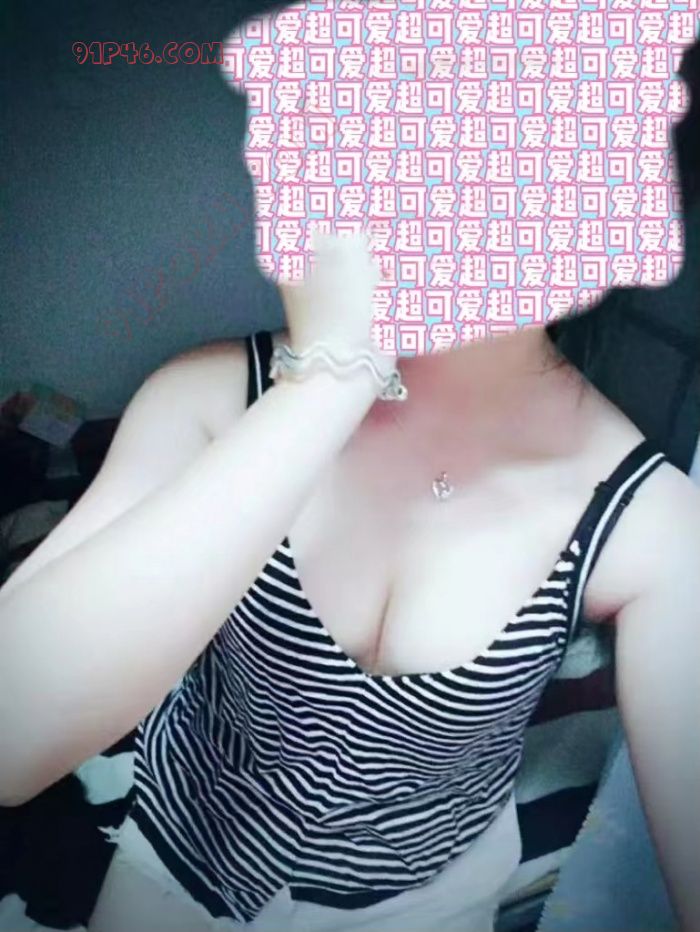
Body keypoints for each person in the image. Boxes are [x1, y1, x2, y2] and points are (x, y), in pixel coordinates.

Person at [0, 232, 699, 932]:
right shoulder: (215, 397)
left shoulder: (648, 518)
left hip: (423, 897)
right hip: (182, 845)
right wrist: (328, 383)